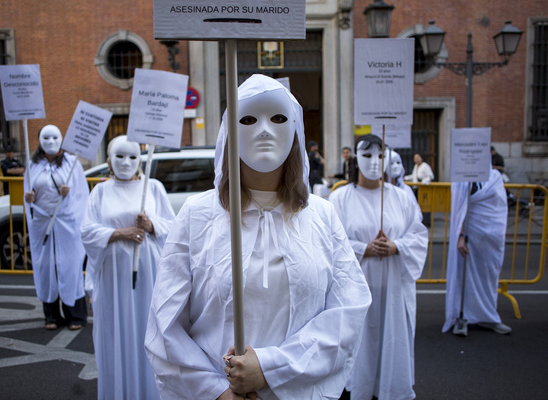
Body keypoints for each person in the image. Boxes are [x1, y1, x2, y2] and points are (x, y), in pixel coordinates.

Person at [145, 74, 372, 400]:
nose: (264, 130)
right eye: (248, 119)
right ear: (230, 131)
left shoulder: (322, 215)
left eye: (278, 118)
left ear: (294, 128)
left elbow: (347, 313)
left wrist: (268, 369)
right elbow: (165, 324)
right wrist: (217, 392)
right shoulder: (197, 215)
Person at [329, 134, 428, 400]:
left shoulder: (402, 198)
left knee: (391, 339)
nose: (374, 162)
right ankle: (358, 387)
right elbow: (330, 241)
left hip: (393, 287)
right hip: (357, 289)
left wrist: (397, 246)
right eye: (368, 155)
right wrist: (364, 249)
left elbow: (418, 234)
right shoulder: (340, 199)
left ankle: (390, 387)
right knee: (360, 342)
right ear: (356, 159)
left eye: (380, 155)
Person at [81, 135, 175, 400]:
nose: (126, 162)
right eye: (119, 156)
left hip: (148, 273)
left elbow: (174, 228)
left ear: (141, 159)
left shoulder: (153, 188)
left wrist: (151, 225)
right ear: (109, 159)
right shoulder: (100, 190)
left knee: (148, 331)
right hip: (113, 275)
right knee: (116, 332)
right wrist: (120, 233)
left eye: (133, 156)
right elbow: (87, 230)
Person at [24, 124, 88, 331]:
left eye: (55, 138)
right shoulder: (32, 164)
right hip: (42, 224)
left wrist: (69, 193)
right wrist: (30, 198)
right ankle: (51, 314)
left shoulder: (71, 163)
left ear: (61, 139)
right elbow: (29, 193)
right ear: (39, 140)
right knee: (46, 267)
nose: (51, 142)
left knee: (70, 266)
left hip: (67, 223)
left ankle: (75, 314)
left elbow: (81, 195)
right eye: (46, 138)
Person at [442, 169, 511, 335]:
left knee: (487, 278)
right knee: (464, 278)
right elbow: (459, 209)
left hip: (491, 241)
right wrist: (460, 235)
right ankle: (462, 316)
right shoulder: (462, 177)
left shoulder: (495, 177)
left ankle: (488, 317)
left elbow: (499, 207)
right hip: (468, 236)